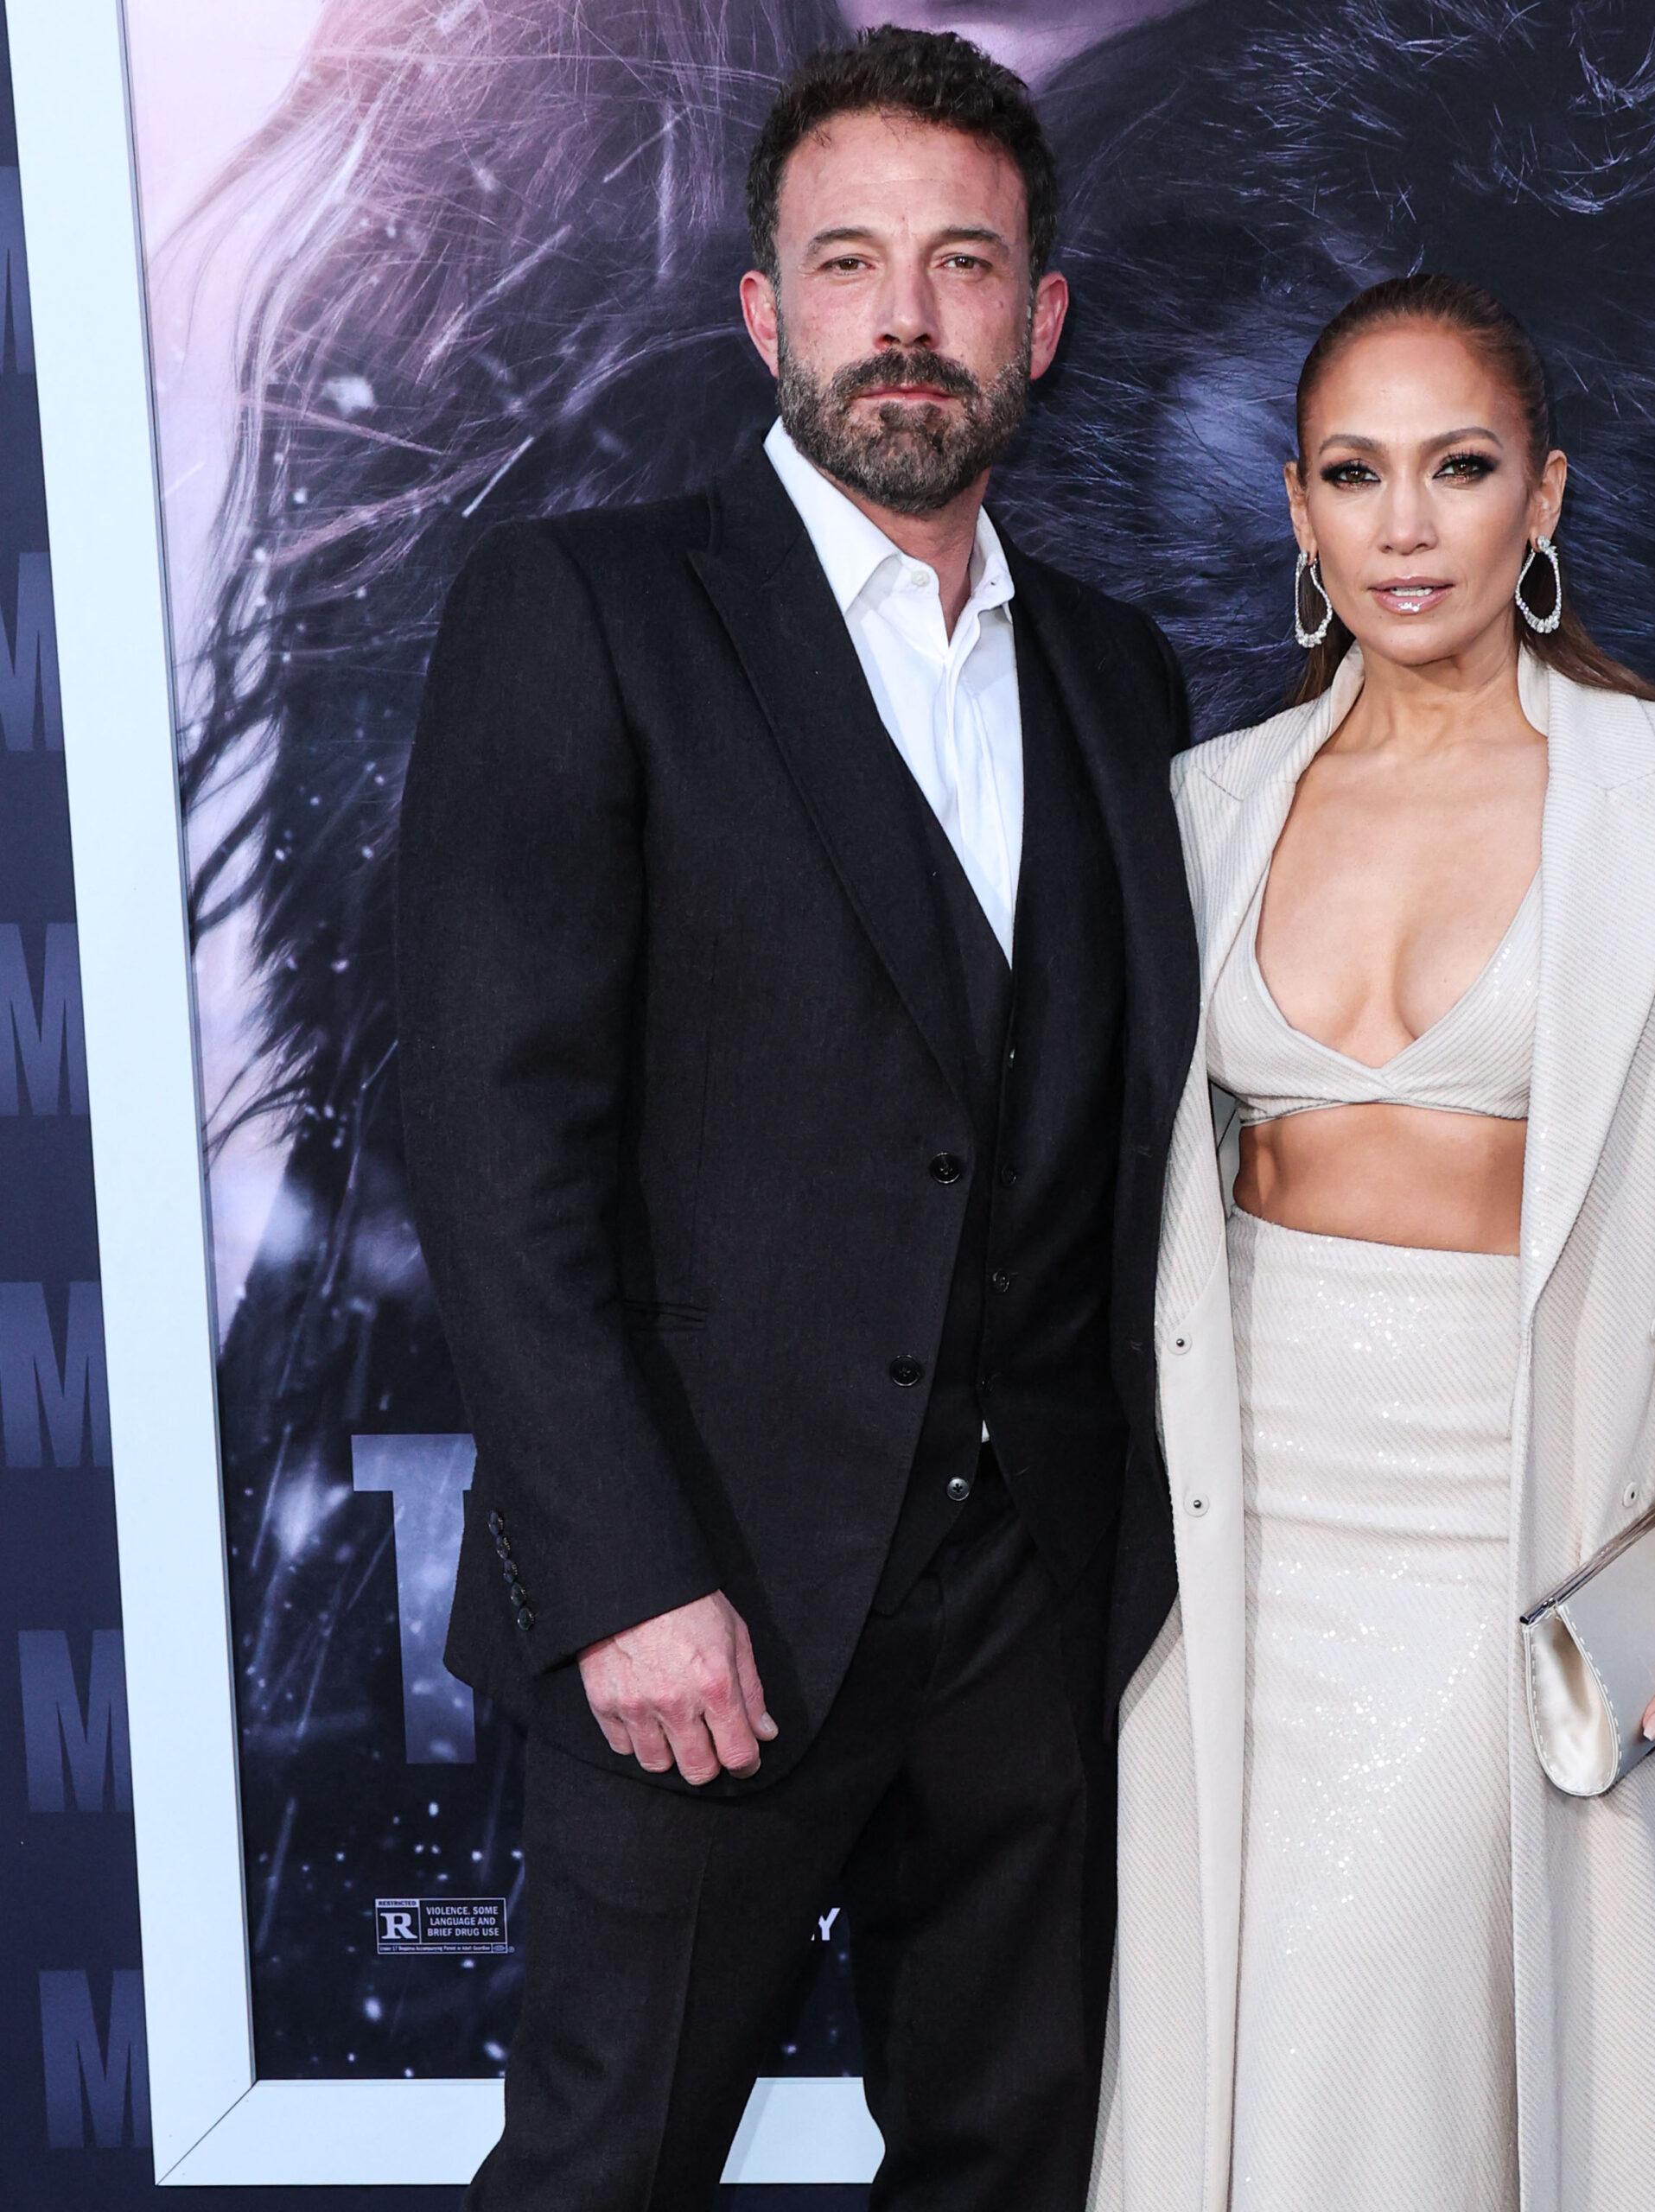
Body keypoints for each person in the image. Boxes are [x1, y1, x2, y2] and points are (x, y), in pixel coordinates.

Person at [394, 28, 1195, 2208]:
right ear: (766, 314)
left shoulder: (1119, 674)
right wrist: (626, 1576)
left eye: (962, 263)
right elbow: (490, 1140)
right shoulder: (588, 612)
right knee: (604, 2166)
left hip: (1035, 1620)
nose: (906, 319)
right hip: (704, 1614)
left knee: (1012, 2164)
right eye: (849, 263)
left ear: (1039, 318)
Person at [1091, 276, 1655, 2212]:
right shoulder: (1206, 801)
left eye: (1455, 468)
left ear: (1544, 496)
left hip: (1524, 1506)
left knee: (1416, 2046)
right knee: (1255, 2047)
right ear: (1293, 511)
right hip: (1238, 1524)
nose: (1402, 525)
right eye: (1353, 474)